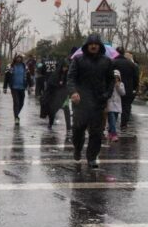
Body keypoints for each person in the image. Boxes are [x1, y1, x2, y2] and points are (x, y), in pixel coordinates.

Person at [67, 34, 115, 168]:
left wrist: (107, 94)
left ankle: (92, 157)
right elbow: (70, 78)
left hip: (98, 102)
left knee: (96, 132)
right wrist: (74, 92)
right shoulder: (78, 60)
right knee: (78, 130)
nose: (93, 46)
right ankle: (77, 149)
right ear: (87, 46)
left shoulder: (107, 61)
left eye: (96, 44)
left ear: (99, 46)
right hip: (80, 102)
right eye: (91, 44)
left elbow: (111, 80)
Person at [112, 47, 140, 129]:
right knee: (126, 106)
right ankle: (124, 124)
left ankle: (113, 123)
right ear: (123, 53)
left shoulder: (113, 62)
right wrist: (134, 87)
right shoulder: (131, 64)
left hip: (115, 88)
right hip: (128, 88)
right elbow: (136, 77)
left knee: (114, 106)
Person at [43, 59, 72, 131]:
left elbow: (69, 83)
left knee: (66, 110)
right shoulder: (55, 74)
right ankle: (50, 123)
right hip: (56, 96)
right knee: (53, 111)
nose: (65, 69)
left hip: (64, 95)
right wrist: (58, 84)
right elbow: (51, 83)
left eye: (67, 67)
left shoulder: (67, 74)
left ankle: (68, 127)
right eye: (64, 67)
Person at [3, 55, 29, 125]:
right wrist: (5, 87)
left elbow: (28, 76)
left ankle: (16, 114)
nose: (19, 59)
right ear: (15, 59)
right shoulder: (10, 66)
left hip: (22, 87)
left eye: (20, 58)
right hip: (14, 87)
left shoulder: (24, 66)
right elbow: (6, 77)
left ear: (22, 59)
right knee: (16, 103)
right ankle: (16, 117)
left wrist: (31, 85)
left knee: (22, 103)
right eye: (17, 58)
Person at [106, 70, 126, 142]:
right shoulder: (109, 84)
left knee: (114, 120)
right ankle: (114, 134)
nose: (115, 79)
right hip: (110, 104)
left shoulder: (121, 84)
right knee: (112, 118)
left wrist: (118, 87)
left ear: (119, 78)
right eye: (114, 77)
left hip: (117, 105)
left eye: (117, 77)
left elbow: (123, 93)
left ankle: (110, 132)